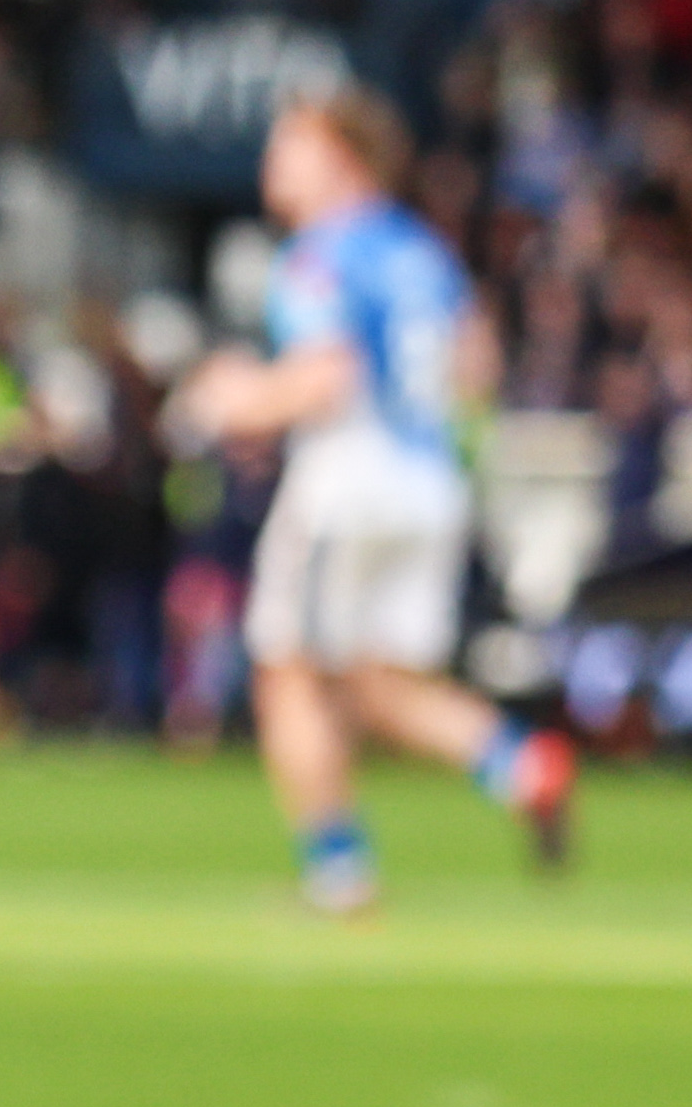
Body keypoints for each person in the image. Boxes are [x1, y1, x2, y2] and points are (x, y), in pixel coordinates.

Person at [172, 87, 572, 914]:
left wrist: (230, 399)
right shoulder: (423, 252)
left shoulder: (318, 256)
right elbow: (476, 368)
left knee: (288, 672)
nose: (270, 164)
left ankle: (337, 873)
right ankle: (522, 763)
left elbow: (328, 374)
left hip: (348, 482)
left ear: (342, 157)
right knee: (373, 682)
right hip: (428, 486)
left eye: (291, 146)